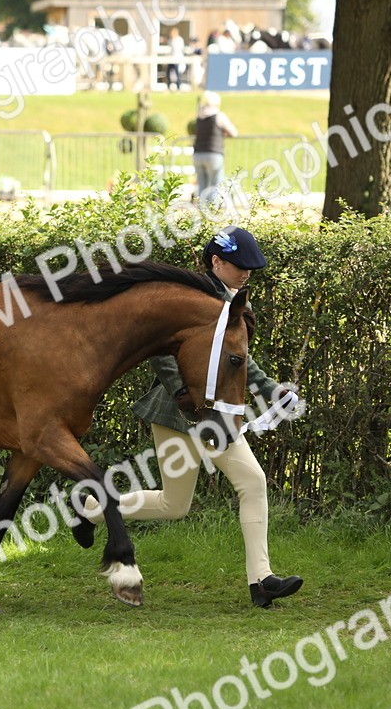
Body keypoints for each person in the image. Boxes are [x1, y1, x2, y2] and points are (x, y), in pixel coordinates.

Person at [76, 226, 305, 609]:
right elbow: (161, 352)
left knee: (251, 482)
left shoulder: (234, 302)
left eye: (250, 268)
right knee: (175, 505)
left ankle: (262, 581)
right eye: (239, 266)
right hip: (176, 413)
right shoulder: (190, 298)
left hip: (218, 413)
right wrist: (183, 395)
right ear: (216, 262)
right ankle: (92, 511)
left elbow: (238, 360)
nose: (246, 273)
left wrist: (272, 391)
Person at [192, 91, 238, 202]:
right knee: (215, 185)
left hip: (198, 154)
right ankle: (213, 209)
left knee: (202, 186)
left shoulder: (199, 116)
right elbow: (233, 133)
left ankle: (202, 209)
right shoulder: (218, 115)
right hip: (213, 154)